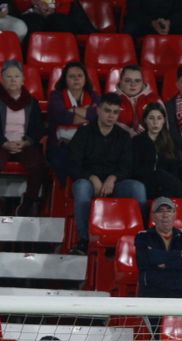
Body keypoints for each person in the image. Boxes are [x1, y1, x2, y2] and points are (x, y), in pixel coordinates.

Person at [66, 93, 145, 254]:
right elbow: (73, 164)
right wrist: (92, 177)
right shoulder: (84, 132)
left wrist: (113, 178)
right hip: (88, 182)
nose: (111, 116)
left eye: (115, 112)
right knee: (81, 188)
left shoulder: (123, 136)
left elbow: (127, 166)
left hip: (115, 183)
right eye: (107, 111)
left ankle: (140, 240)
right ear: (99, 110)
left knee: (137, 188)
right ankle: (84, 241)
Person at [135, 196, 182, 299]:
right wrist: (179, 254)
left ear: (174, 214)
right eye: (160, 211)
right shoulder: (143, 236)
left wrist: (167, 264)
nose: (165, 215)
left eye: (169, 211)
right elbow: (145, 260)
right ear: (153, 216)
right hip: (154, 292)